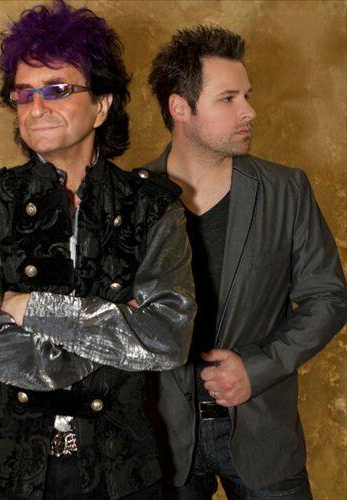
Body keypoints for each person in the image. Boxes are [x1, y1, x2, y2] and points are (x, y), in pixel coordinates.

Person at [0, 2, 196, 499]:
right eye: (24, 93)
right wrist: (116, 332)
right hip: (10, 471)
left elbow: (168, 337)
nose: (36, 107)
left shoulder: (153, 208)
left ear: (101, 105)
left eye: (57, 90)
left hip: (121, 471)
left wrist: (32, 309)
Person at [144, 25, 347, 499]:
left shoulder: (286, 189)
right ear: (180, 108)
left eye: (247, 96)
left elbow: (328, 296)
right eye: (228, 98)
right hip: (160, 439)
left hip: (264, 436)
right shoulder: (132, 197)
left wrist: (259, 367)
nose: (249, 111)